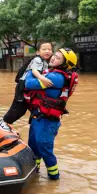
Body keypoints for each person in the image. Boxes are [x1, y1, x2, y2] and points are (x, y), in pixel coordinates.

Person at [24, 48, 78, 180]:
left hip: (47, 121)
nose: (53, 58)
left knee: (45, 149)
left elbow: (28, 83)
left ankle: (54, 178)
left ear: (64, 64)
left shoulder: (56, 77)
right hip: (39, 117)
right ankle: (35, 172)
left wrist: (32, 70)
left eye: (58, 58)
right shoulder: (53, 73)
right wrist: (39, 73)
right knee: (34, 147)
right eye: (55, 55)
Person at [3, 41, 54, 124]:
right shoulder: (37, 59)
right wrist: (43, 79)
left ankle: (6, 122)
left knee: (23, 109)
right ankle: (4, 122)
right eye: (44, 49)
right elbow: (34, 71)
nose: (47, 51)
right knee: (17, 108)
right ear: (38, 52)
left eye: (49, 49)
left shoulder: (44, 62)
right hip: (23, 86)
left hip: (28, 86)